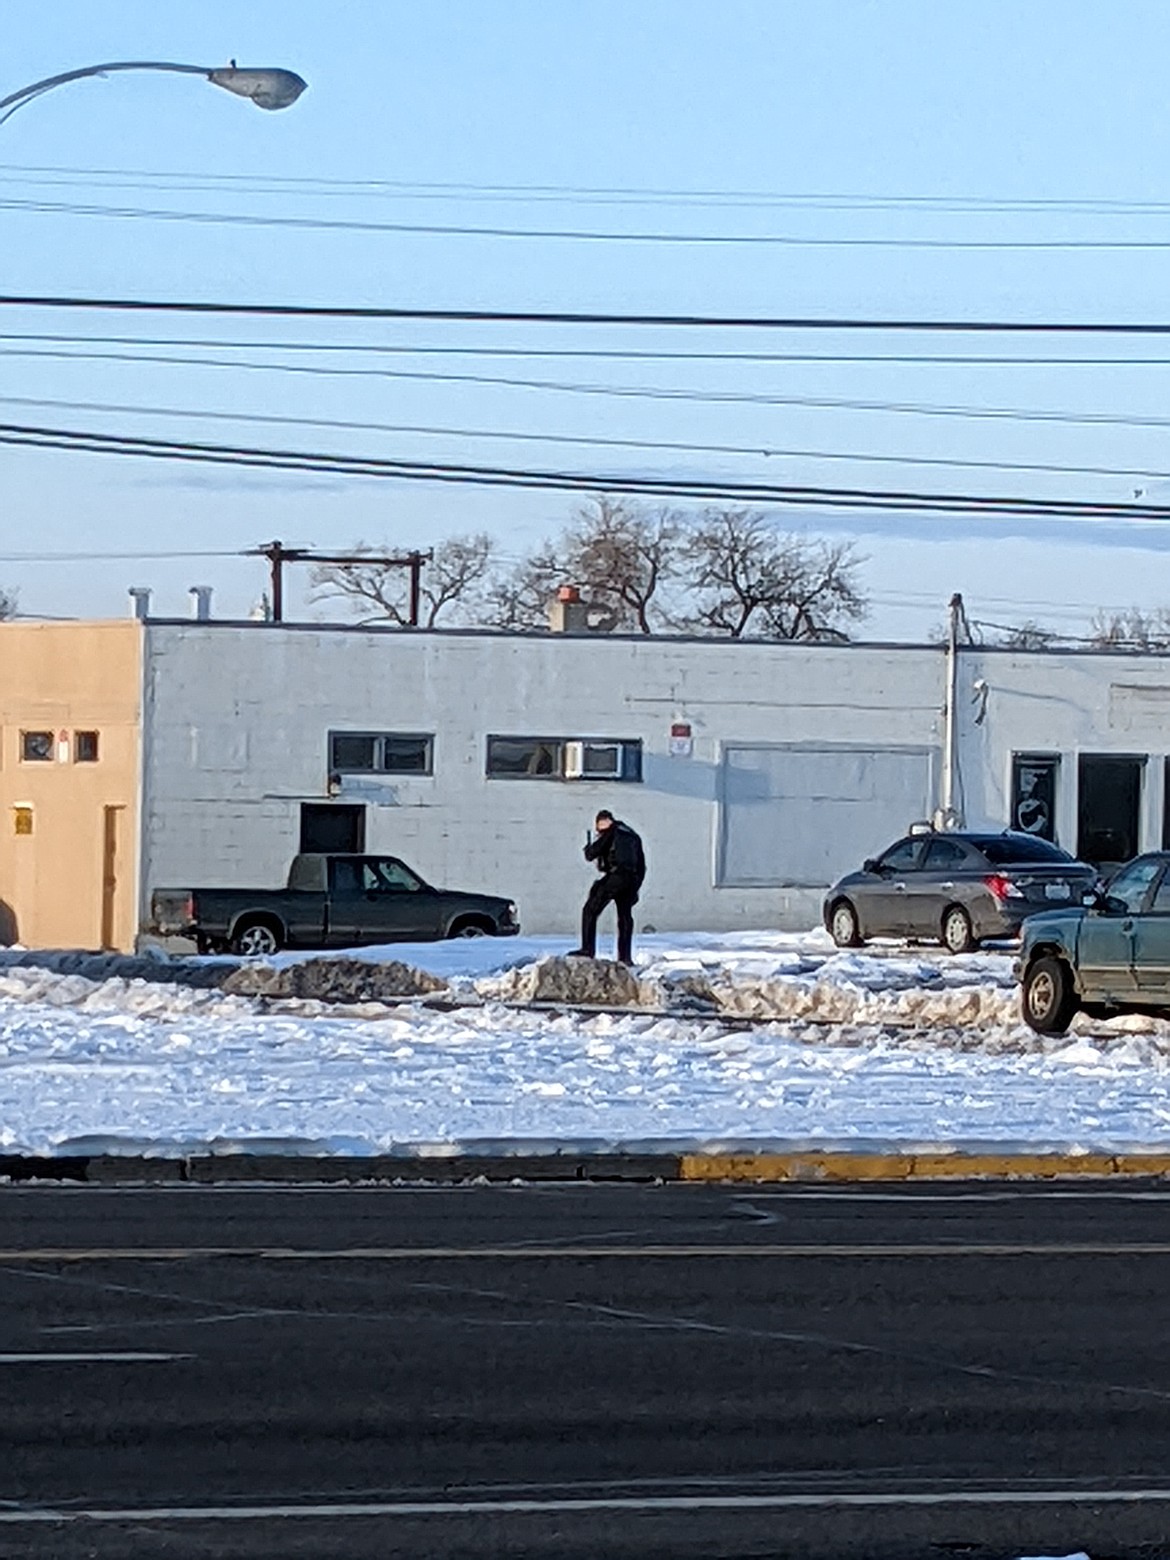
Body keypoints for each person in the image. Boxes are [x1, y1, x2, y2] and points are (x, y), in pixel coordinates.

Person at [569, 810, 646, 964]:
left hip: (616, 876)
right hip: (632, 879)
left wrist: (589, 848)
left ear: (603, 822)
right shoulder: (632, 834)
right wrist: (635, 887)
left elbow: (591, 854)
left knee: (590, 910)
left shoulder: (611, 831)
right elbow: (642, 866)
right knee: (624, 917)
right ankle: (625, 957)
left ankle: (587, 950)